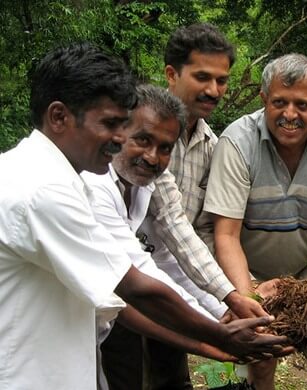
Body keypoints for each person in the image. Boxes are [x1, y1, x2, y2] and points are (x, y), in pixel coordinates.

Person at [0, 43, 289, 390]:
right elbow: (136, 286)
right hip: (29, 372)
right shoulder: (44, 190)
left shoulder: (59, 177)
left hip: (63, 358)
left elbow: (170, 253)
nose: (119, 139)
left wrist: (221, 318)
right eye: (110, 125)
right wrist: (220, 335)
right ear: (59, 116)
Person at [203, 53, 307, 390]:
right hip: (249, 270)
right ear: (264, 99)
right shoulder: (237, 143)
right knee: (260, 359)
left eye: (302, 105)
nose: (289, 115)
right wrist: (249, 297)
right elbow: (226, 235)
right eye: (279, 102)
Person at [82, 84, 230, 389]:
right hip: (72, 318)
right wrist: (215, 331)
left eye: (165, 148)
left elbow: (173, 257)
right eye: (142, 140)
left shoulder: (151, 184)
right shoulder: (95, 184)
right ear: (119, 133)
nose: (152, 157)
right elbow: (138, 275)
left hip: (110, 312)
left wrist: (226, 310)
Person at [149, 22, 261, 319]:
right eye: (202, 77)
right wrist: (231, 296)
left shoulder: (211, 146)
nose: (214, 90)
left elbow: (203, 229)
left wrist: (240, 291)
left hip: (180, 284)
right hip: (129, 279)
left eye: (221, 80)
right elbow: (171, 221)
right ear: (172, 74)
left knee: (170, 365)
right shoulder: (143, 135)